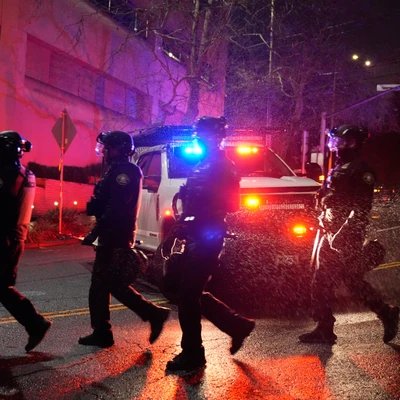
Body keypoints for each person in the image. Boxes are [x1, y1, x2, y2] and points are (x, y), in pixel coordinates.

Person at [163, 116, 255, 371]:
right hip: (194, 233)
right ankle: (237, 325)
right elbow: (188, 200)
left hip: (208, 235)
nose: (198, 140)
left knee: (188, 295)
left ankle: (193, 353)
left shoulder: (224, 165)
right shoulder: (201, 164)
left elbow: (232, 204)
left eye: (202, 136)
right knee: (181, 289)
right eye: (197, 136)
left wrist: (202, 212)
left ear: (215, 138)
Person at [299, 125, 399, 344]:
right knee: (328, 280)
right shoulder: (339, 167)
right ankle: (326, 327)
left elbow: (360, 209)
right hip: (328, 231)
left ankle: (384, 313)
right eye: (334, 142)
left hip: (344, 236)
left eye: (339, 141)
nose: (335, 146)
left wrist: (342, 234)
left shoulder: (360, 171)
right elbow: (332, 198)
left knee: (343, 281)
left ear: (352, 142)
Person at [79, 130, 170, 348]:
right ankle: (106, 330)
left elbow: (116, 207)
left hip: (116, 234)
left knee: (105, 284)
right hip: (112, 232)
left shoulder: (126, 172)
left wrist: (95, 232)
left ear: (118, 149)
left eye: (108, 148)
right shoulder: (118, 170)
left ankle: (148, 315)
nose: (104, 152)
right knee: (105, 284)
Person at [0, 130, 52, 352]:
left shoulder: (10, 175)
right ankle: (35, 323)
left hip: (5, 238)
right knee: (2, 287)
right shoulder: (25, 173)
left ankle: (35, 323)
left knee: (2, 287)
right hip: (14, 237)